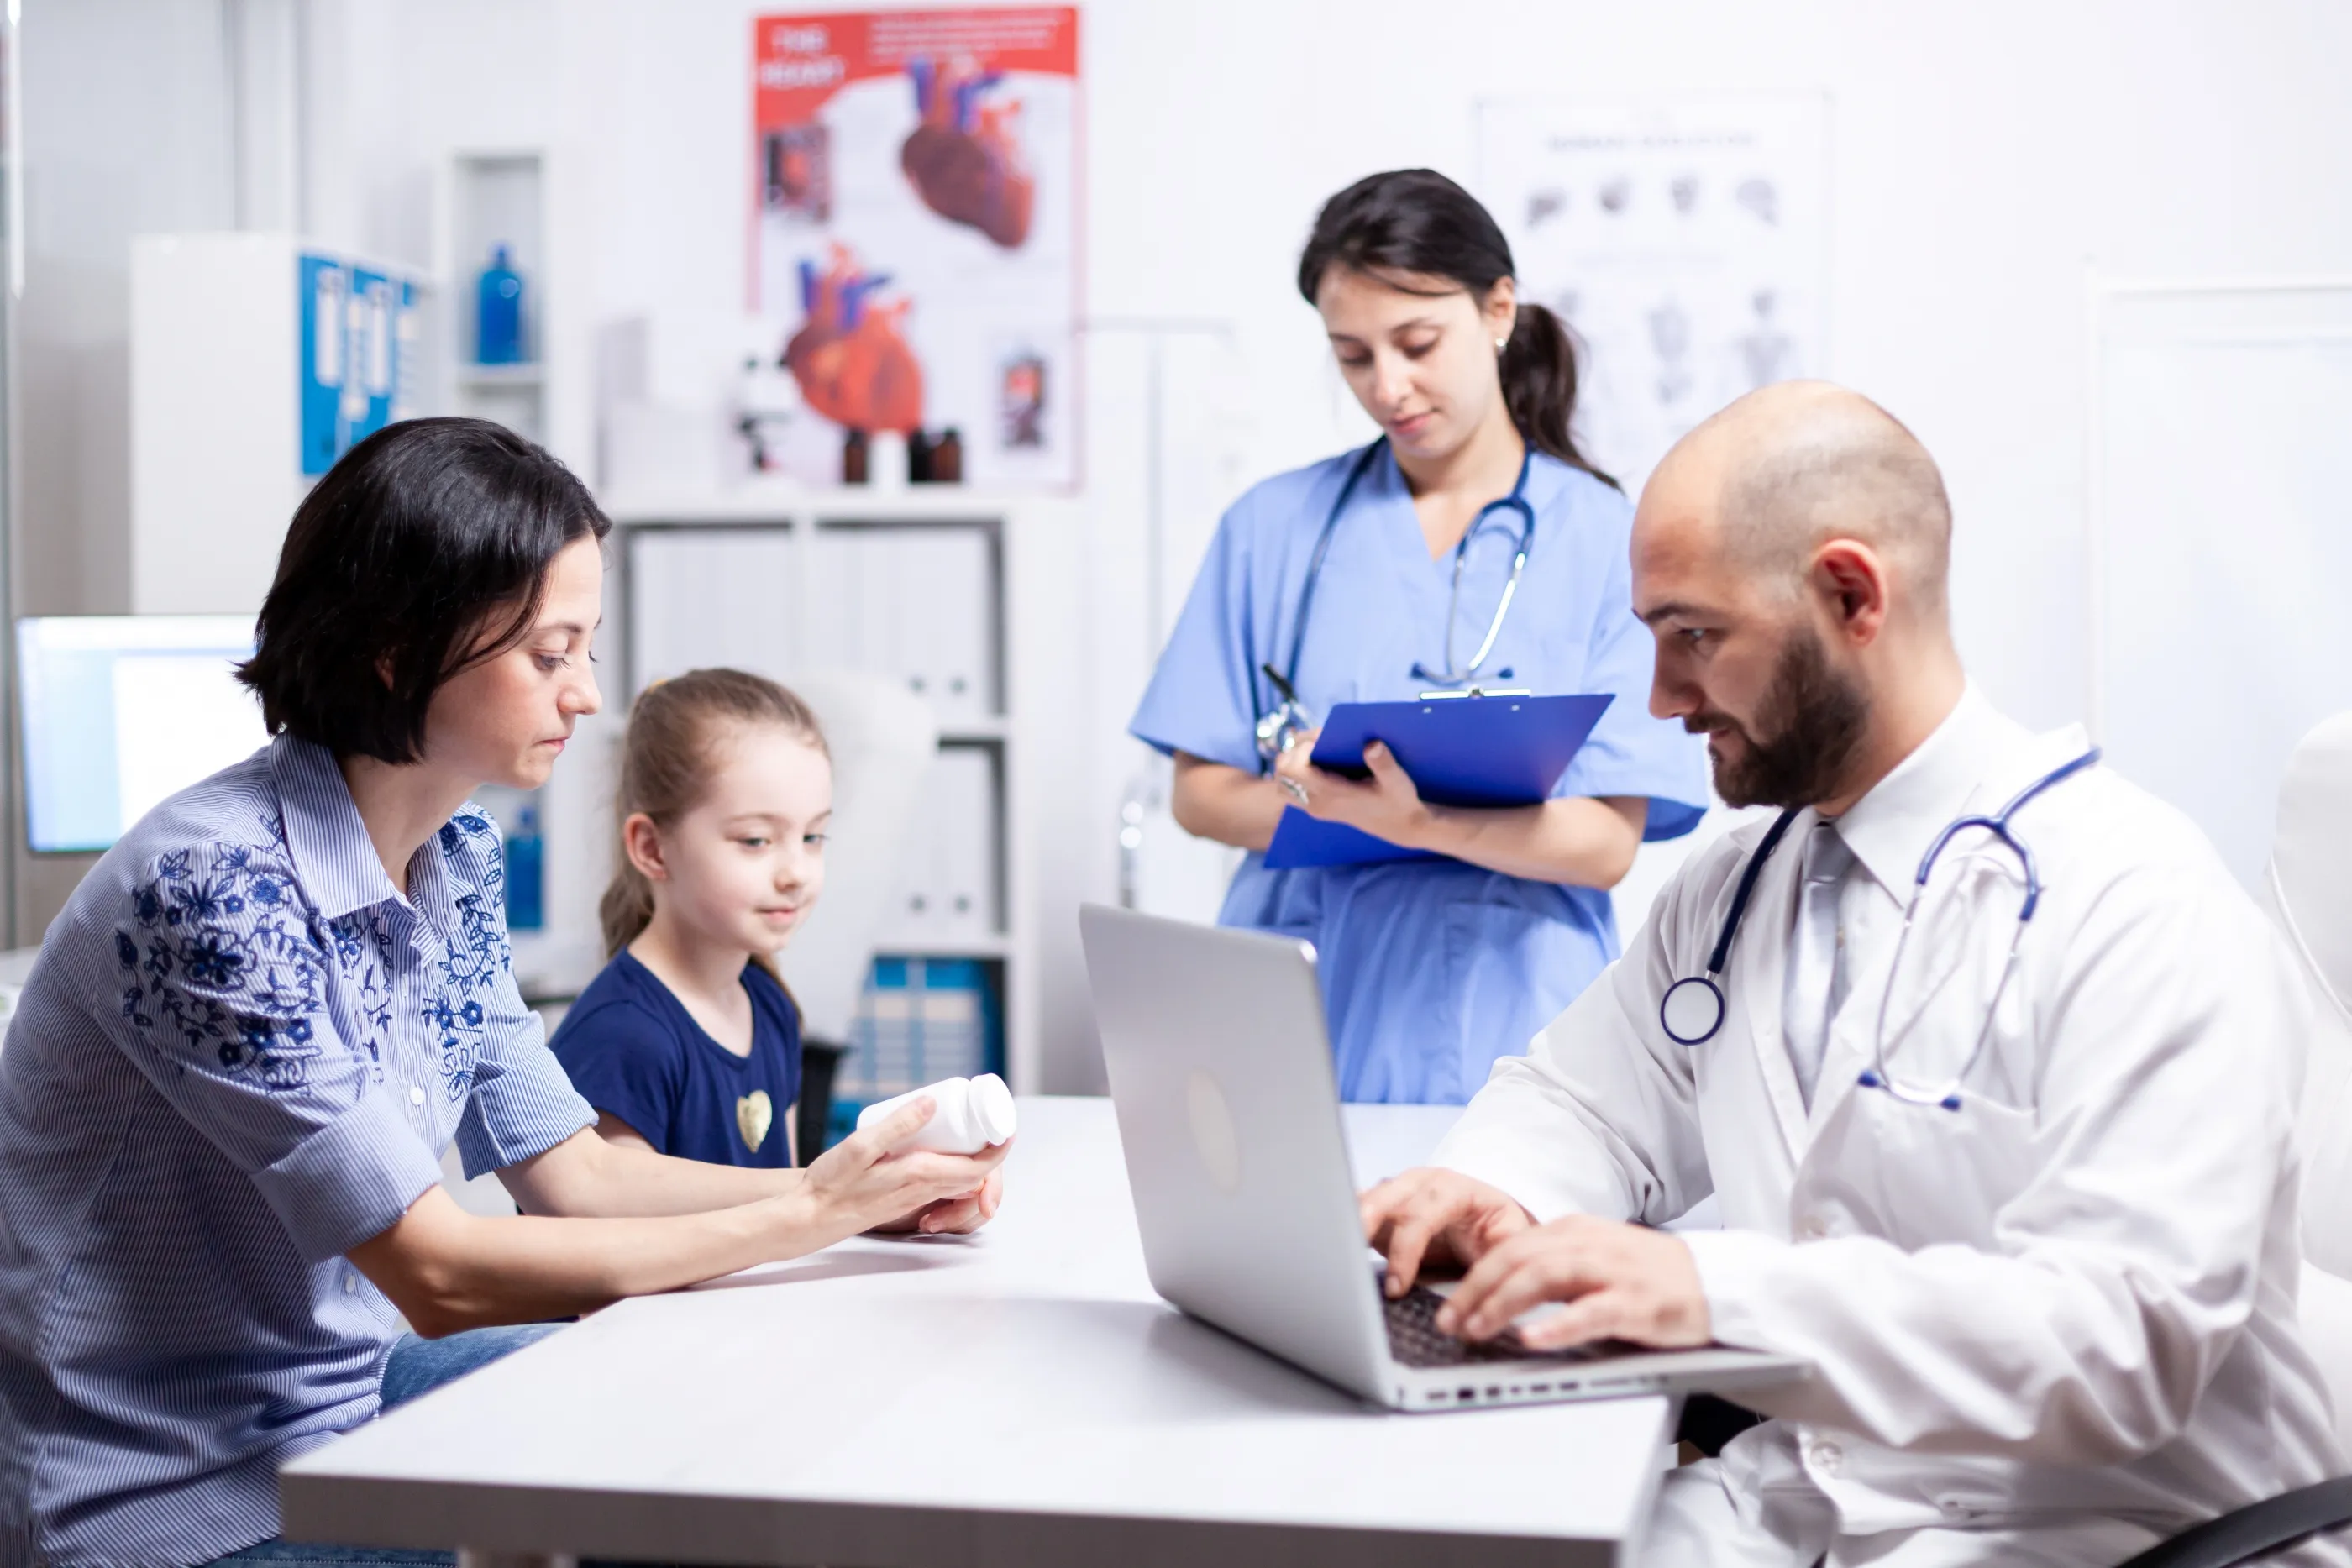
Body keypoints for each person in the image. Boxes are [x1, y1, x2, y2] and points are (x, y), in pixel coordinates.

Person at [1361, 381, 2347, 1565]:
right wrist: (1492, 1185)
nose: (1665, 698)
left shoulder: (2134, 899)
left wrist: (1706, 1290)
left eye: (1694, 635)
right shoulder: (1737, 888)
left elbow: (2121, 1340)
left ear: (1849, 594)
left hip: (2117, 1526)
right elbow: (1582, 1098)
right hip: (1812, 1496)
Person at [0, 419, 1007, 1568]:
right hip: (170, 1490)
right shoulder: (214, 887)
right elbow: (437, 1273)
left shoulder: (456, 860)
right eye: (550, 652)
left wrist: (857, 1195)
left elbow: (578, 1174)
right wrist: (808, 1215)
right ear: (397, 646)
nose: (586, 695)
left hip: (338, 1398)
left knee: (733, 1401)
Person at [1130, 169, 1708, 1104]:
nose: (1387, 387)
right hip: (1290, 1008)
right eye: (1353, 355)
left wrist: (1404, 821)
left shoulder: (1610, 541)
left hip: (1517, 1014)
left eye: (1416, 343)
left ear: (1496, 310)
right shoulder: (1272, 527)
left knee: (1509, 1243)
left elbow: (1604, 840)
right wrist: (1365, 811)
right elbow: (1199, 793)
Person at [551, 669, 830, 1171]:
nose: (796, 874)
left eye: (812, 838)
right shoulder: (620, 1038)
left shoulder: (771, 1006)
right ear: (653, 849)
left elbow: (786, 1210)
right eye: (755, 841)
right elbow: (613, 1242)